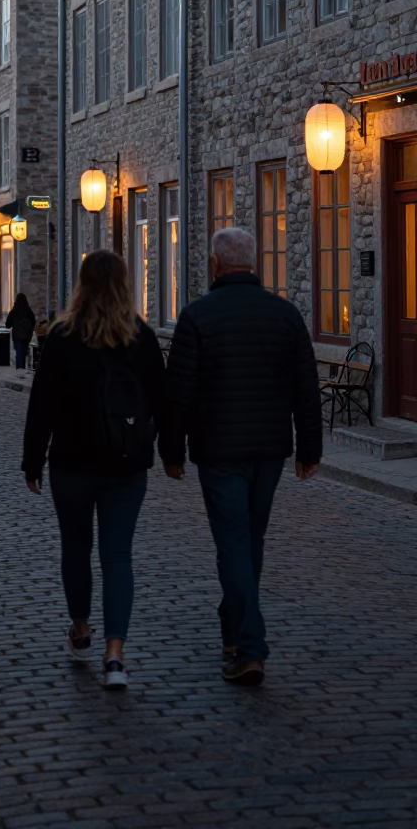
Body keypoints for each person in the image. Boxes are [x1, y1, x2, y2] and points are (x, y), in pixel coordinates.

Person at [160, 227, 322, 688]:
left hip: (219, 449)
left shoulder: (197, 317)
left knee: (234, 542)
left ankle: (249, 646)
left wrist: (171, 450)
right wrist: (309, 449)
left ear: (215, 264)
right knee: (250, 540)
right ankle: (234, 630)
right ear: (254, 263)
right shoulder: (285, 315)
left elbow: (179, 393)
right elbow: (306, 391)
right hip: (268, 448)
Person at [22, 250, 165, 690]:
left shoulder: (64, 336)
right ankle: (115, 655)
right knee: (118, 556)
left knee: (76, 547)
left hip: (72, 462)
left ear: (81, 284)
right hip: (125, 463)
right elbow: (162, 399)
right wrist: (164, 448)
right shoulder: (141, 337)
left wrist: (32, 460)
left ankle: (81, 629)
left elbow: (41, 404)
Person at [6, 292, 37, 370]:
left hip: (17, 335)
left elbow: (8, 324)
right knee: (23, 351)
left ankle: (19, 367)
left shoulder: (14, 311)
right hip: (26, 336)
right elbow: (33, 321)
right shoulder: (28, 310)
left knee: (19, 352)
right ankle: (21, 366)